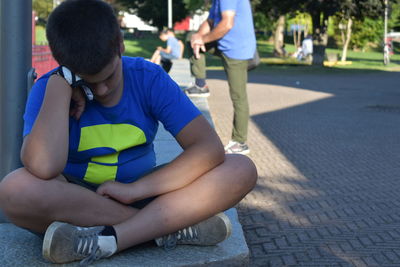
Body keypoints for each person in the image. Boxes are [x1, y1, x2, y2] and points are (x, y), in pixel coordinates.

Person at [0, 0, 257, 266]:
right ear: (65, 65)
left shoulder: (147, 77)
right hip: (77, 202)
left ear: (119, 45)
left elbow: (208, 148)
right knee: (14, 189)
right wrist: (59, 87)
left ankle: (106, 238)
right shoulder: (50, 88)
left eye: (108, 77)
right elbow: (43, 167)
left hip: (146, 192)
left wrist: (135, 190)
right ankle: (161, 228)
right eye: (89, 81)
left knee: (240, 168)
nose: (101, 91)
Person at [185, 0, 257, 155]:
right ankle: (200, 84)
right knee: (191, 37)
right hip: (222, 44)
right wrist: (198, 36)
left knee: (238, 97)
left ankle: (240, 142)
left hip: (237, 51)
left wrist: (203, 40)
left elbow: (227, 23)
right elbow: (210, 21)